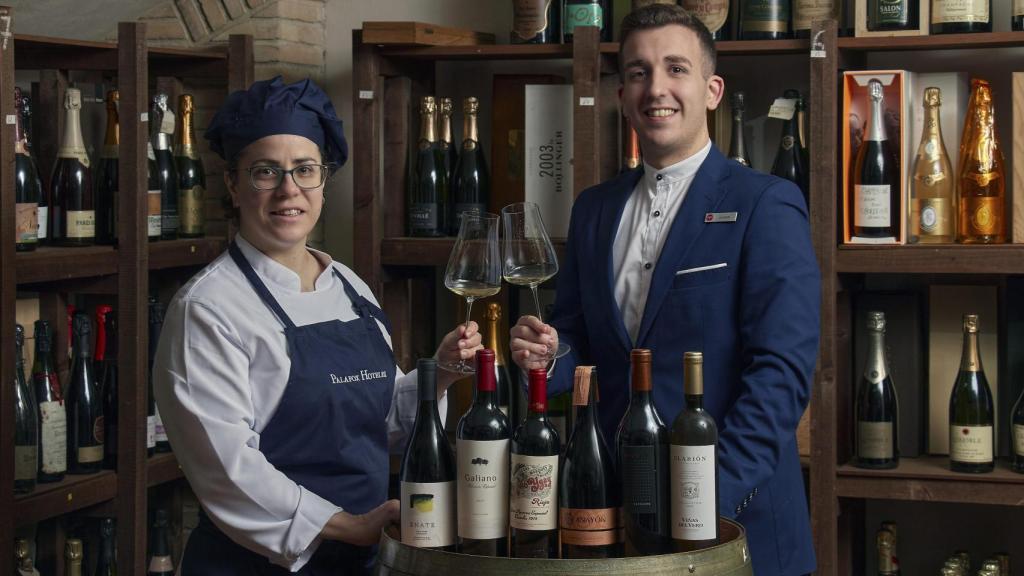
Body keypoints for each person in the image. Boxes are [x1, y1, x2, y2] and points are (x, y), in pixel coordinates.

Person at [510, 5, 819, 576]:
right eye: (637, 72)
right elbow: (578, 339)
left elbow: (781, 375)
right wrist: (548, 356)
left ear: (712, 89)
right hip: (612, 518)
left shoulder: (765, 205)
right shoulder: (593, 210)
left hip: (736, 525)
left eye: (676, 68)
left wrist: (707, 503)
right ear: (622, 95)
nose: (656, 88)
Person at [153, 76, 481, 575]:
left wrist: (442, 373)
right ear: (234, 184)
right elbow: (226, 469)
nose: (289, 190)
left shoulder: (348, 285)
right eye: (266, 171)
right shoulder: (208, 308)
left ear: (323, 182)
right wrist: (347, 526)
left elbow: (380, 421)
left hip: (360, 558)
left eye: (304, 170)